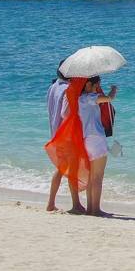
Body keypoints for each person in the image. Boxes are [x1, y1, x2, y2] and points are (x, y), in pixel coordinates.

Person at [78, 76, 118, 217]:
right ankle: (96, 209)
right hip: (96, 138)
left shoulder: (80, 99)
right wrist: (113, 89)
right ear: (89, 84)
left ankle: (91, 208)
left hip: (86, 138)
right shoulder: (90, 98)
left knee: (91, 176)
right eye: (97, 85)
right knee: (98, 176)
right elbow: (109, 99)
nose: (98, 88)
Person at [46, 62, 83, 214]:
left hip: (56, 132)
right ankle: (76, 204)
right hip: (66, 134)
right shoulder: (67, 89)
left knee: (61, 168)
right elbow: (65, 113)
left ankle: (51, 203)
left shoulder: (53, 87)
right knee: (72, 168)